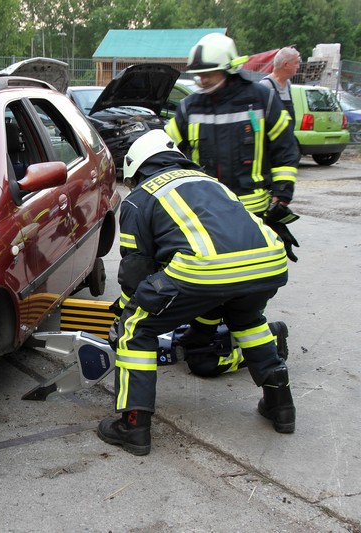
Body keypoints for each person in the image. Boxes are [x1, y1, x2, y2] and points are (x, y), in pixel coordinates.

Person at [97, 130, 295, 456]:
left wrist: (128, 309)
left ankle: (133, 426)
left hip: (205, 269)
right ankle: (281, 406)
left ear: (135, 169)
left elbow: (136, 270)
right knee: (248, 321)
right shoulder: (211, 183)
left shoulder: (139, 197)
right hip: (269, 262)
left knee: (136, 330)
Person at [165, 33, 299, 215]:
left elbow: (285, 149)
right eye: (199, 74)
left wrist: (282, 194)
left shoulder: (262, 100)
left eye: (208, 74)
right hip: (205, 212)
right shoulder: (190, 107)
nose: (203, 80)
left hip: (252, 214)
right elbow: (165, 148)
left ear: (228, 69)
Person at [259, 46, 301, 123]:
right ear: (286, 65)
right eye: (296, 63)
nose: (298, 66)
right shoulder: (266, 85)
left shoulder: (287, 83)